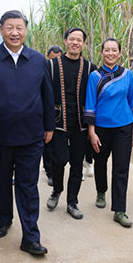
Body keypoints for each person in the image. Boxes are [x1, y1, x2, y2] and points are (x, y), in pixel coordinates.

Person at [0, 10, 55, 256]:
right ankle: (4, 219)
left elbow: (47, 95)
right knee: (2, 179)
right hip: (1, 135)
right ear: (1, 30)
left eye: (19, 27)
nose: (15, 32)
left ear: (26, 31)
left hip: (32, 135)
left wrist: (49, 126)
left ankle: (31, 237)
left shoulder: (38, 60)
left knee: (28, 185)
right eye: (10, 27)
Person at [84, 38, 133, 228]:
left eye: (114, 50)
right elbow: (90, 104)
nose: (110, 53)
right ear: (102, 53)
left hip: (123, 127)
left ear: (119, 53)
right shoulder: (95, 76)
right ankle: (101, 191)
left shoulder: (127, 75)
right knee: (100, 162)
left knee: (121, 168)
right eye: (107, 50)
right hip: (101, 128)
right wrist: (91, 132)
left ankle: (119, 210)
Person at [46, 28, 96, 220]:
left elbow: (96, 97)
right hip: (58, 123)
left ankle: (72, 202)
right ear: (65, 41)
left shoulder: (90, 68)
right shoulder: (51, 66)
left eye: (79, 40)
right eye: (72, 39)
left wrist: (93, 127)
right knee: (58, 161)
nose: (75, 42)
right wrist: (45, 124)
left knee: (77, 165)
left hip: (81, 125)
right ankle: (57, 190)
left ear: (84, 44)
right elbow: (43, 95)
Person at [43, 45, 63, 187]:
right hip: (46, 110)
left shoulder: (64, 69)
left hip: (61, 113)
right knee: (47, 143)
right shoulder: (44, 68)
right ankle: (49, 172)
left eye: (58, 58)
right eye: (52, 59)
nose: (55, 61)